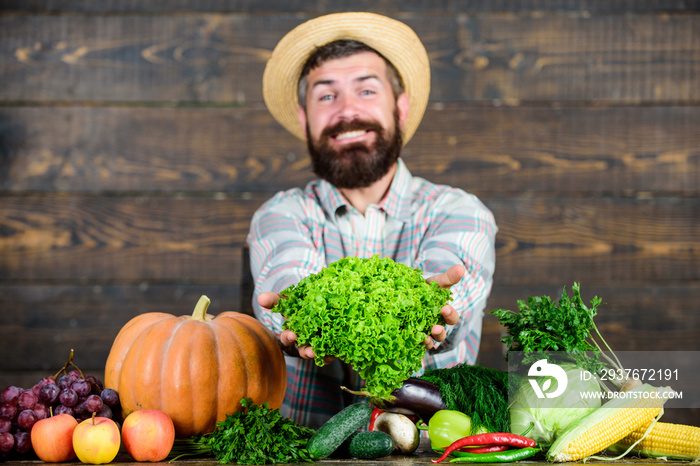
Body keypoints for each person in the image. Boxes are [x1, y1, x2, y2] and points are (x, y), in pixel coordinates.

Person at [246, 12, 497, 428]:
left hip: (428, 450)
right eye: (326, 96)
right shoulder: (281, 213)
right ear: (304, 117)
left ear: (400, 108)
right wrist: (296, 312)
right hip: (305, 452)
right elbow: (286, 273)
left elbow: (450, 280)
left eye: (366, 90)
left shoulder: (458, 211)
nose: (347, 111)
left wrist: (432, 309)